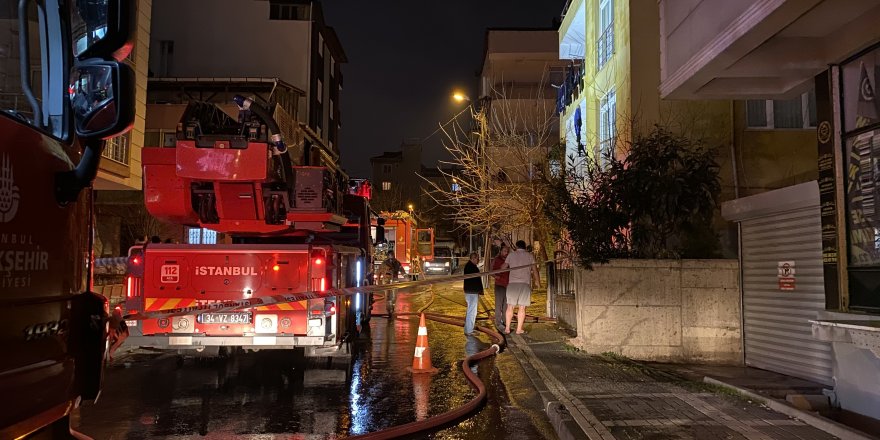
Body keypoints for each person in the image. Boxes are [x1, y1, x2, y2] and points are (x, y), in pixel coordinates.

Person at [503, 240, 540, 335]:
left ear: (516, 247)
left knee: (510, 306)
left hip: (512, 284)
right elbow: (535, 270)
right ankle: (519, 329)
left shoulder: (511, 255)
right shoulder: (529, 256)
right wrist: (537, 282)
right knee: (522, 307)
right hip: (524, 284)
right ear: (525, 247)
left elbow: (504, 267)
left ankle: (507, 328)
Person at [463, 252, 483, 336]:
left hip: (470, 291)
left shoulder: (470, 266)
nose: (478, 260)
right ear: (473, 258)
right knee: (472, 311)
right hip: (472, 292)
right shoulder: (471, 267)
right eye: (477, 258)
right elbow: (475, 280)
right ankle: (469, 330)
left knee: (470, 310)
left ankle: (468, 328)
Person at [491, 244, 510, 331]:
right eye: (504, 251)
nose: (506, 253)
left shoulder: (509, 260)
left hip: (508, 285)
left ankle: (505, 321)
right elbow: (491, 271)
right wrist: (496, 276)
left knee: (506, 306)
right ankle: (498, 322)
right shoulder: (497, 260)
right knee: (498, 305)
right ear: (501, 251)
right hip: (499, 285)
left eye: (507, 251)